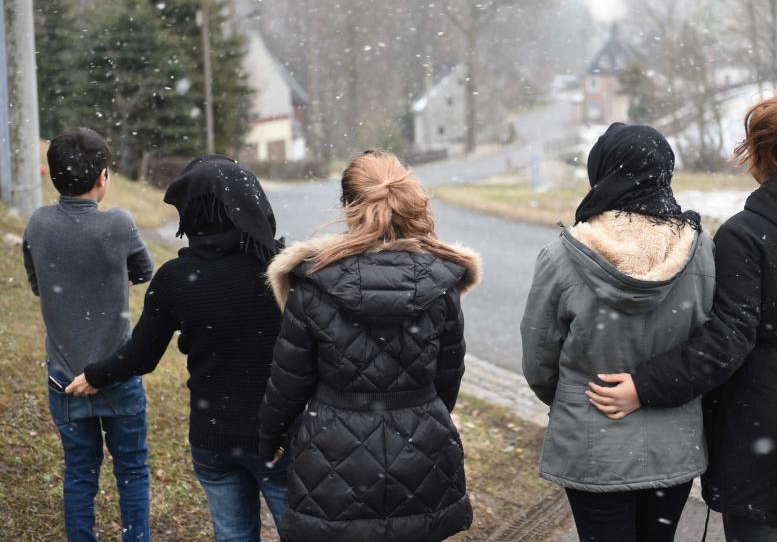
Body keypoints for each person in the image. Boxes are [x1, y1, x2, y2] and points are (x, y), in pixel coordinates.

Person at [589, 95, 777, 542]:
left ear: (759, 155)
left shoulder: (746, 234)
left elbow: (728, 340)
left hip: (767, 435)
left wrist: (645, 386)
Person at [258, 150, 479, 542]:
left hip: (333, 454)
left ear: (347, 205)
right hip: (421, 447)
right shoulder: (440, 281)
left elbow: (289, 380)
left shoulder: (313, 282)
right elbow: (449, 375)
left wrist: (272, 437)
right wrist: (421, 418)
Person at [66, 155, 287, 542]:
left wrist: (94, 376)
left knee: (234, 536)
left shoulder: (174, 278)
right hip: (280, 437)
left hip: (213, 439)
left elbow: (141, 356)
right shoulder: (283, 271)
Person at [520, 123, 715, 542]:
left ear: (603, 172)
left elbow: (539, 361)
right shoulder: (701, 251)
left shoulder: (562, 255)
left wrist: (573, 400)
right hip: (673, 442)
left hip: (592, 441)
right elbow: (712, 346)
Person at [23, 127, 154, 542]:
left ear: (53, 175)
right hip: (116, 374)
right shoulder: (118, 223)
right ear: (103, 177)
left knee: (79, 472)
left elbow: (39, 283)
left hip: (63, 380)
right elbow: (144, 271)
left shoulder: (38, 224)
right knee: (131, 470)